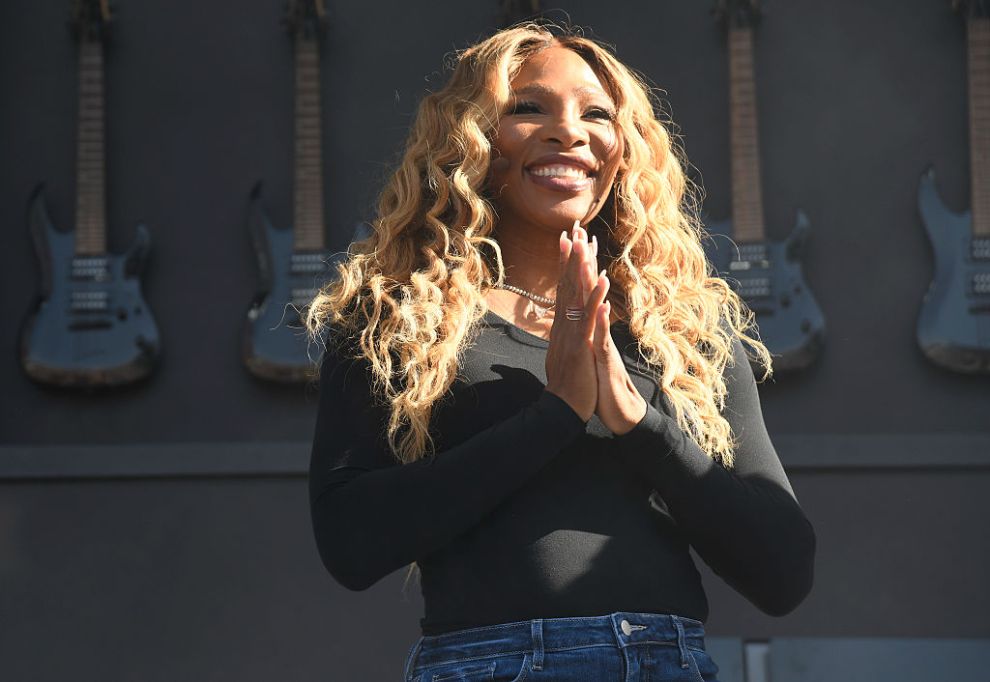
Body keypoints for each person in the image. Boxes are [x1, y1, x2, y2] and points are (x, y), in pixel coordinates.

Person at [305, 23, 815, 682]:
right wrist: (555, 415)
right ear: (469, 139)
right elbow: (349, 543)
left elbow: (784, 572)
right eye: (528, 108)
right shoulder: (394, 317)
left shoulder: (686, 326)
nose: (568, 131)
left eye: (596, 114)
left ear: (625, 148)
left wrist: (640, 423)